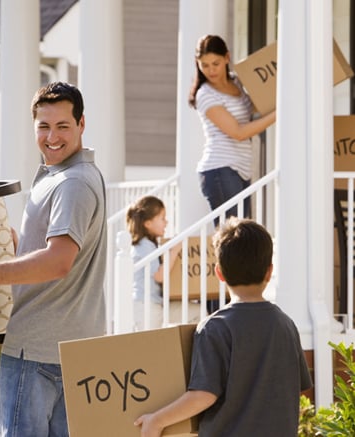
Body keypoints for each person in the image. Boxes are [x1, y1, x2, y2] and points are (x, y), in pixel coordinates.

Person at [0, 82, 107, 437]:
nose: (52, 136)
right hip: (72, 352)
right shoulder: (66, 177)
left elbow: (58, 262)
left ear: (81, 124)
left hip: (35, 352)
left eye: (63, 125)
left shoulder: (72, 183)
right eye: (43, 126)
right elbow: (57, 255)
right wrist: (14, 245)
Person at [134, 217, 312, 437]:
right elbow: (296, 386)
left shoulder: (214, 328)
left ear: (218, 273)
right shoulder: (287, 325)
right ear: (269, 271)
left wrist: (156, 420)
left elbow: (203, 395)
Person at [189, 35, 276, 223]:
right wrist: (279, 113)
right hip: (221, 168)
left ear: (227, 58)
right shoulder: (204, 95)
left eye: (216, 63)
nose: (210, 70)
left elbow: (257, 105)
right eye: (204, 65)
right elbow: (238, 132)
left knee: (240, 236)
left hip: (242, 168)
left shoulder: (237, 83)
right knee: (232, 237)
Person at [126, 195, 202, 330]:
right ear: (147, 223)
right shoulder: (144, 246)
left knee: (197, 312)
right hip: (146, 305)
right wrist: (174, 251)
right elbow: (159, 276)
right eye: (162, 218)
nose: (166, 222)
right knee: (149, 344)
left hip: (157, 303)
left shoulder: (150, 245)